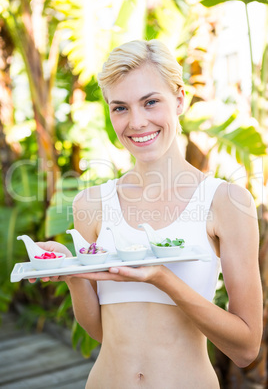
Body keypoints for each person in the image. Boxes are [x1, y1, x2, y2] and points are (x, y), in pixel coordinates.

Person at [30, 39, 262, 388]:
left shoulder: (226, 202)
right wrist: (73, 275)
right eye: (120, 108)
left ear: (180, 99)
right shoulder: (92, 205)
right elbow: (100, 332)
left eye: (151, 102)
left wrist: (162, 279)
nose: (136, 122)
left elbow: (245, 348)